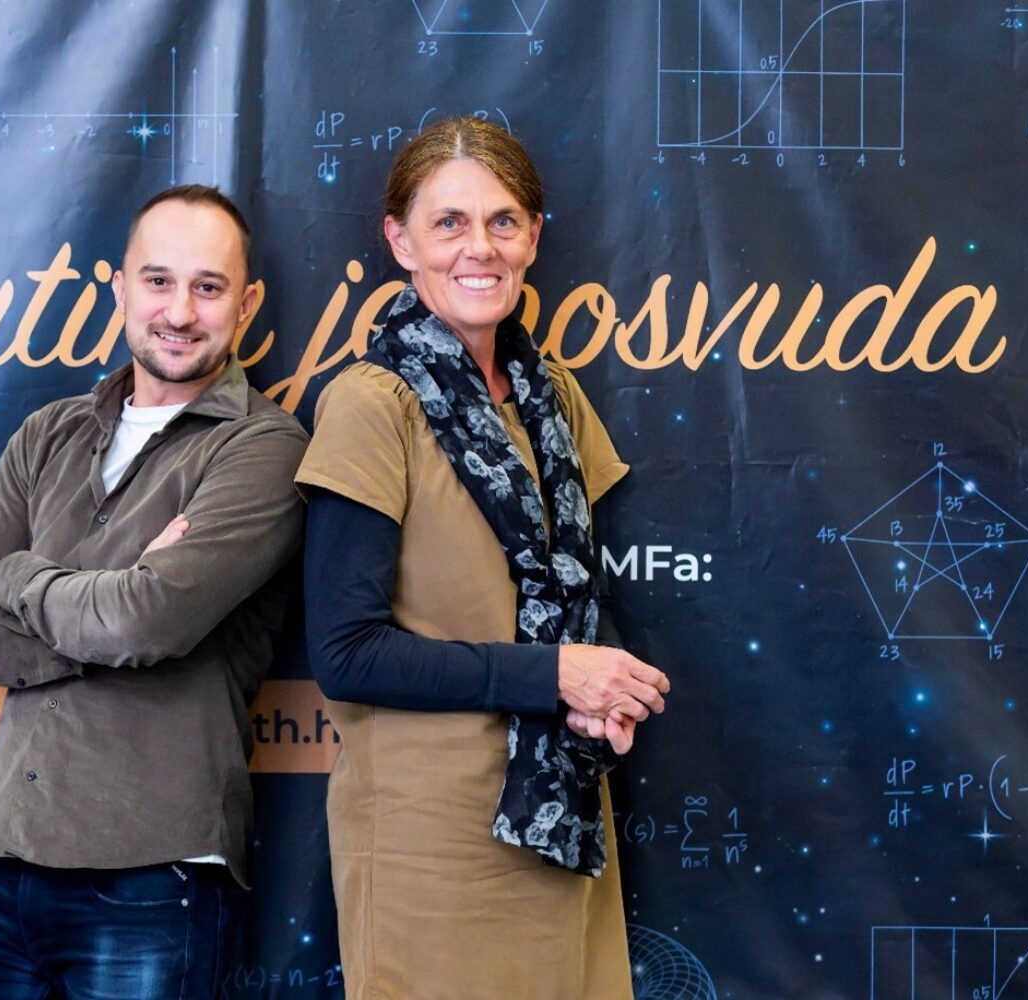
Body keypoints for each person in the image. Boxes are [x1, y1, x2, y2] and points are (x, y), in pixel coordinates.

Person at [295, 118, 672, 999]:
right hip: (427, 847)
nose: (481, 248)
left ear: (533, 237)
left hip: (560, 819)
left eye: (503, 221)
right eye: (449, 223)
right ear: (401, 242)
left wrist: (602, 696)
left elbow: (572, 598)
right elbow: (346, 655)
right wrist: (558, 677)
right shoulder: (370, 403)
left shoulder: (553, 396)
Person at [0, 185, 309, 1000]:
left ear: (246, 304)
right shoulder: (48, 433)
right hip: (1, 864)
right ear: (121, 287)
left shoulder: (264, 448)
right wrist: (105, 614)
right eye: (158, 281)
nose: (180, 311)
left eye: (208, 287)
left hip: (154, 880)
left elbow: (142, 623)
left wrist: (18, 574)